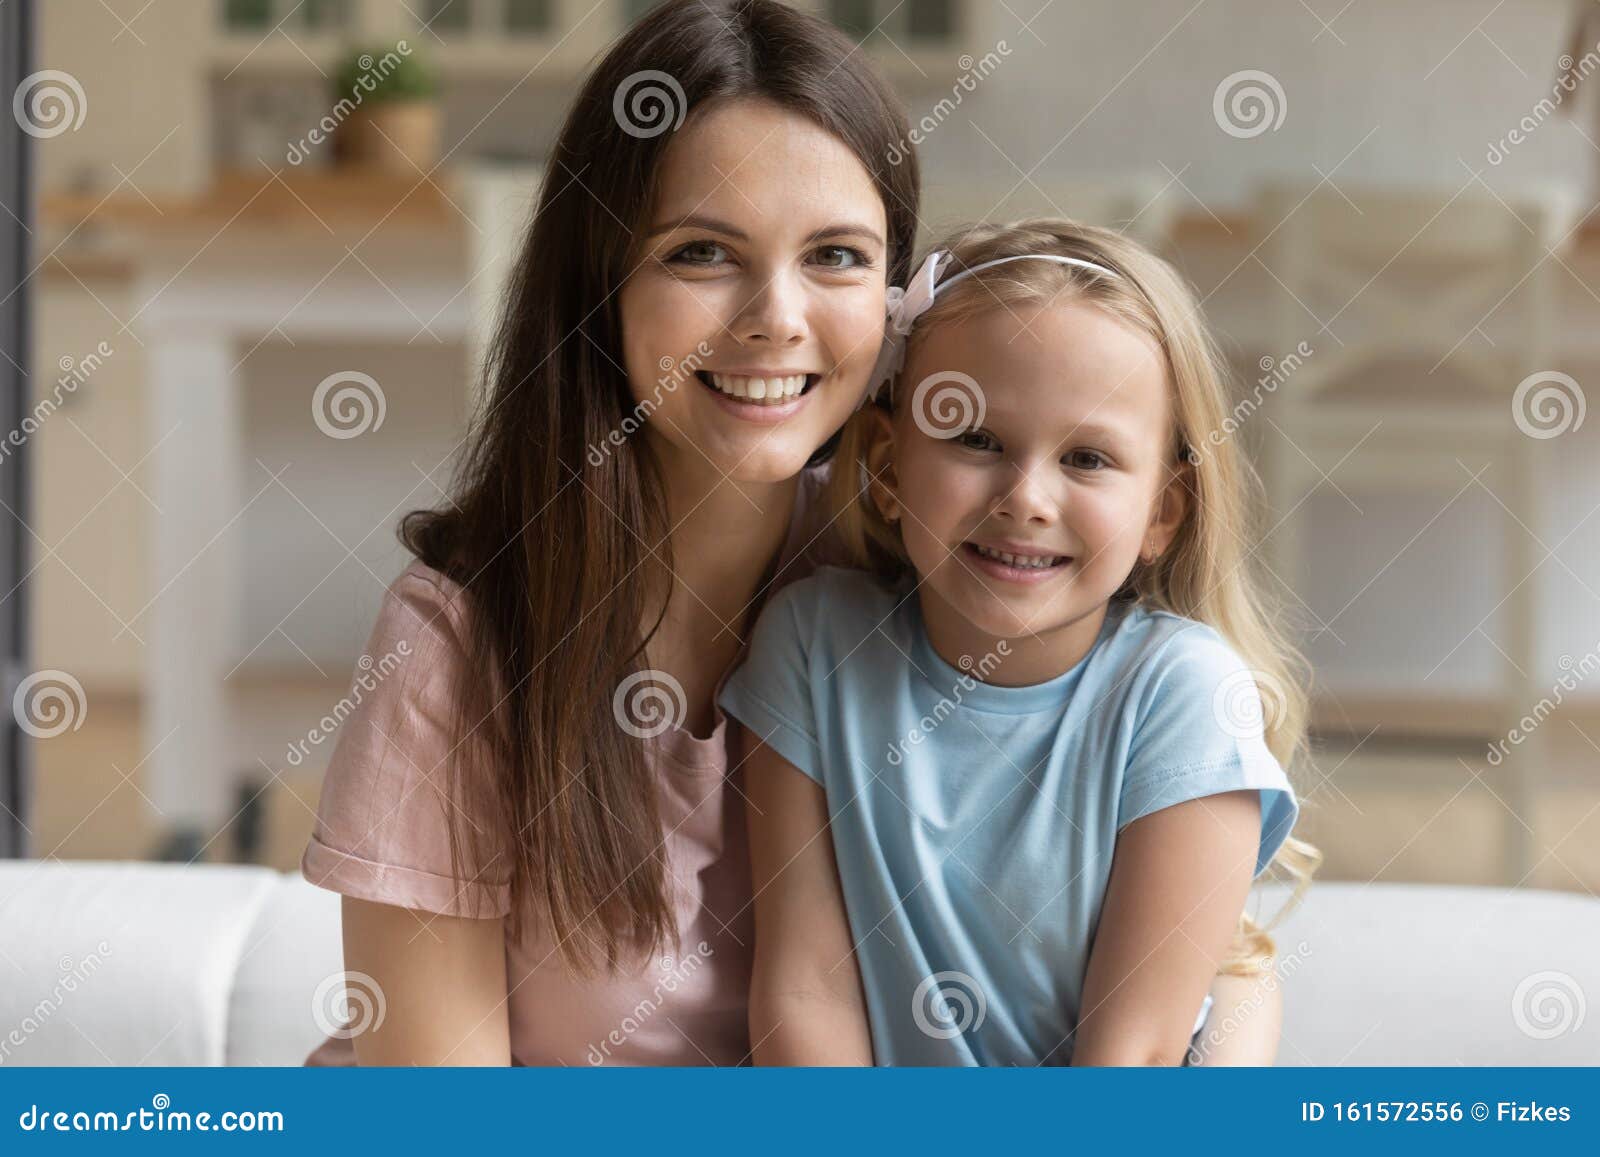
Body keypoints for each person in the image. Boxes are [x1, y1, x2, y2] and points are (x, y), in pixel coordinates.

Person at [723, 219, 1322, 1066]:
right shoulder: (813, 645)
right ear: (889, 470)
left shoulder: (1182, 692)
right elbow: (804, 988)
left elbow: (1137, 1051)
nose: (1027, 498)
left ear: (1162, 513)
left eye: (1087, 458)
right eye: (976, 440)